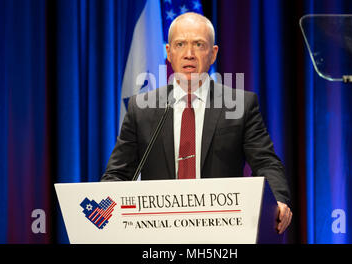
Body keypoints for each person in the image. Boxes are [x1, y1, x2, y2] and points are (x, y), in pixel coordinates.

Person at [101, 12, 292, 234]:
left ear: (213, 53)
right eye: (180, 44)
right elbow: (118, 174)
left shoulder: (240, 105)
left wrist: (277, 200)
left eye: (199, 45)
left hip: (222, 230)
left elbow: (266, 163)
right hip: (159, 232)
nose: (189, 54)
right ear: (168, 52)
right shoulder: (142, 108)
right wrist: (102, 214)